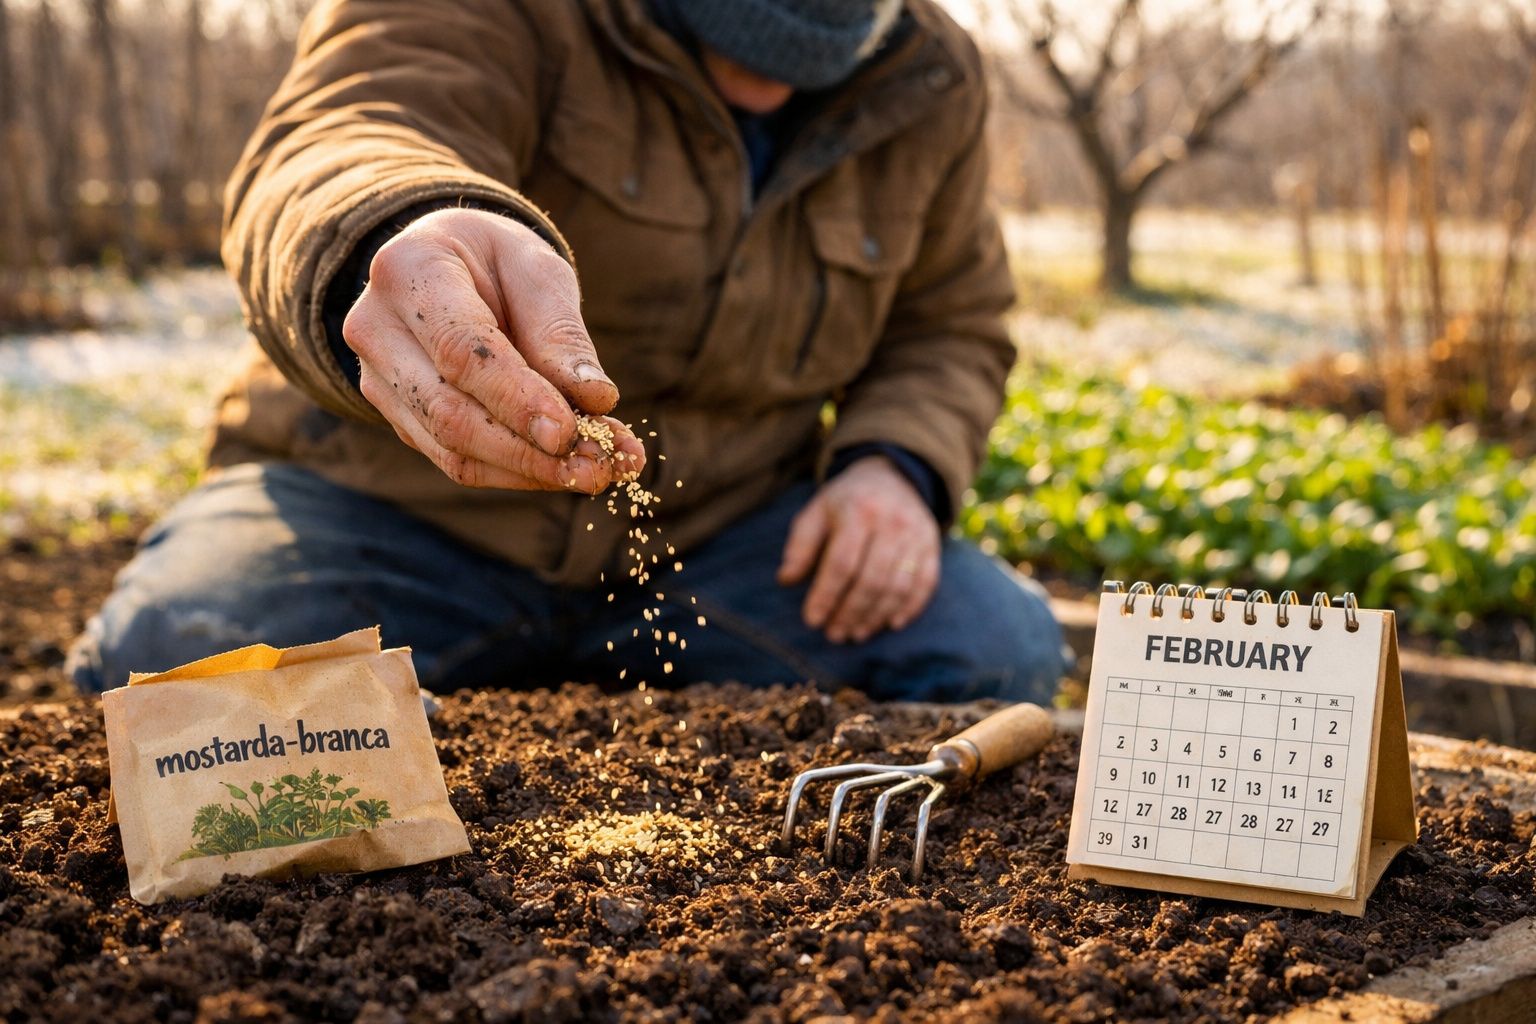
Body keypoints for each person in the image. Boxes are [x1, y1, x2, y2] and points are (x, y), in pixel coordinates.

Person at [68, 0, 1071, 702]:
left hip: (709, 546)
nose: (769, 85)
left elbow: (950, 322)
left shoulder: (929, 76)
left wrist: (893, 467)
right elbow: (348, 129)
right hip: (389, 511)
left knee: (992, 648)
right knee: (180, 664)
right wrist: (396, 226)